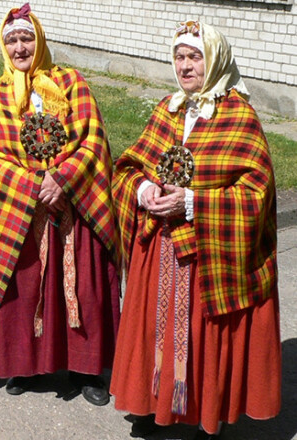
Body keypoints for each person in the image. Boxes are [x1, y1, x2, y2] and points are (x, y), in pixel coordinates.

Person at [109, 20, 281, 440]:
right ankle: (154, 402)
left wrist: (192, 202)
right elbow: (129, 167)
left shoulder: (239, 116)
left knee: (195, 336)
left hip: (204, 252)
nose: (185, 66)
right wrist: (144, 189)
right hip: (159, 249)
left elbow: (255, 195)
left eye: (195, 57)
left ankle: (196, 412)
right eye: (180, 57)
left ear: (216, 60)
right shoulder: (168, 108)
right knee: (155, 330)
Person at [0, 3, 121, 406]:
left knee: (83, 288)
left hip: (74, 205)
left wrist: (63, 179)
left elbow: (93, 138)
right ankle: (23, 365)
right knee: (23, 289)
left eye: (26, 38)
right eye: (12, 41)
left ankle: (86, 369)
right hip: (22, 209)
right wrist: (32, 185)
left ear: (39, 41)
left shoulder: (71, 83)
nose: (20, 47)